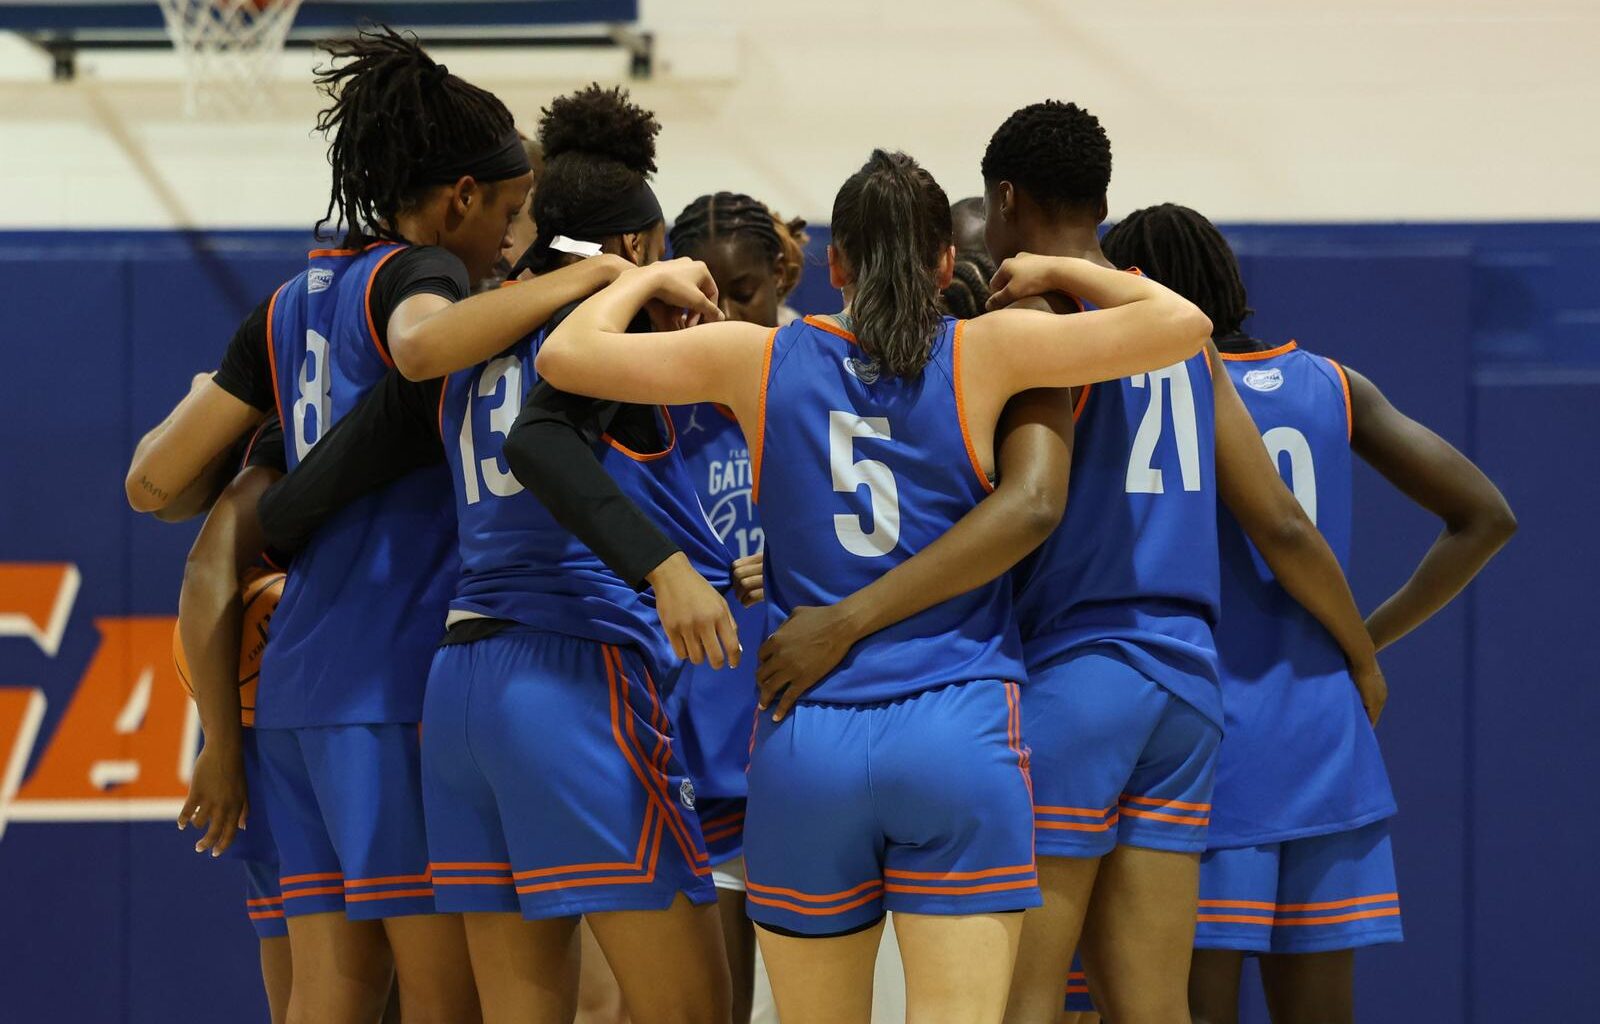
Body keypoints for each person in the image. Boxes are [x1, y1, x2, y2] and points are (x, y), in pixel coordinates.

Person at [534, 148, 1212, 1024]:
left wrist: (646, 274)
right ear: (943, 263)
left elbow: (564, 356)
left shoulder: (762, 358)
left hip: (808, 733)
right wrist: (1052, 267)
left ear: (835, 265)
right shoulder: (989, 349)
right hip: (956, 730)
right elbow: (1185, 322)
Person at [753, 103, 1385, 1024]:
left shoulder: (1036, 322)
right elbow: (1281, 524)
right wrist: (1362, 653)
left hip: (1074, 672)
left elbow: (1027, 505)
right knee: (1153, 1002)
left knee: (1026, 1000)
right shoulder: (1173, 334)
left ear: (1005, 199)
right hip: (1185, 684)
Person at [120, 28, 629, 1024]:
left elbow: (151, 480)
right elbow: (425, 345)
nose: (513, 243)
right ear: (461, 199)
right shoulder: (417, 274)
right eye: (513, 214)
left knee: (332, 994)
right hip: (391, 680)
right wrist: (576, 280)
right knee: (447, 1002)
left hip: (299, 699)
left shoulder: (286, 304)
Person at [256, 84, 743, 1024]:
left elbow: (300, 496)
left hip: (459, 690)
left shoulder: (461, 346)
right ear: (637, 250)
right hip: (572, 671)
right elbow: (551, 442)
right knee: (691, 1009)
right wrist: (671, 566)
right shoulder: (611, 338)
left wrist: (258, 537)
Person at [1103, 203, 1517, 1024]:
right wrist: (1362, 641)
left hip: (1204, 742)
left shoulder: (1147, 394)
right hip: (1327, 739)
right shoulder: (1334, 384)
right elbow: (1486, 516)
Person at [662, 190, 809, 1024]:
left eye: (743, 292)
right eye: (706, 295)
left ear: (783, 274)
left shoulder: (822, 376)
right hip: (699, 739)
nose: (722, 313)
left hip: (806, 734)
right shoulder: (656, 397)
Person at [173, 417, 294, 1023]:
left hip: (290, 714)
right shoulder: (265, 402)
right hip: (278, 724)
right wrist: (220, 742)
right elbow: (153, 491)